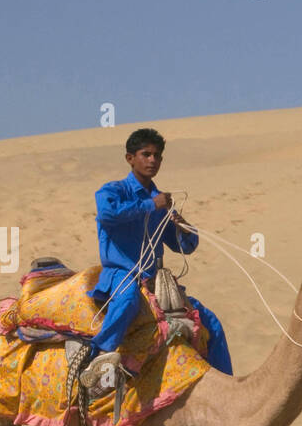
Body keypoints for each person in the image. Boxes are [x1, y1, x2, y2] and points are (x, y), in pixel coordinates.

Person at [84, 128, 232, 387]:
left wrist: (183, 226)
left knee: (208, 320)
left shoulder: (161, 202)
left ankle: (224, 385)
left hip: (155, 281)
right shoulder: (114, 191)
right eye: (146, 154)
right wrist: (151, 205)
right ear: (130, 158)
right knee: (128, 300)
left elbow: (184, 247)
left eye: (157, 156)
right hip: (121, 275)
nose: (152, 160)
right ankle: (96, 359)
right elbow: (108, 214)